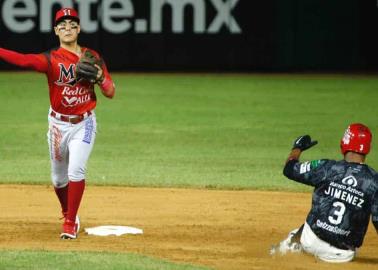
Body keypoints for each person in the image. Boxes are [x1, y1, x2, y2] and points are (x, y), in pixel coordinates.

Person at [0, 8, 115, 239]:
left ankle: (70, 223)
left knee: (76, 169)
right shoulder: (51, 59)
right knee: (58, 178)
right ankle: (66, 210)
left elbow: (111, 91)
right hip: (57, 125)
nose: (68, 28)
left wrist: (101, 78)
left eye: (72, 24)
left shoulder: (92, 57)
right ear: (56, 31)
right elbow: (23, 61)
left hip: (85, 123)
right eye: (62, 25)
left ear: (79, 28)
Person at [271, 123, 378, 262]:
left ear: (344, 143)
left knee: (308, 223)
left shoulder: (327, 167)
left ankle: (284, 249)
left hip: (310, 241)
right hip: (341, 256)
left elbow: (289, 169)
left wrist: (297, 147)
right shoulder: (374, 181)